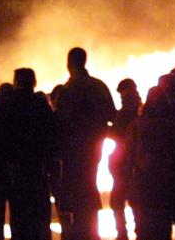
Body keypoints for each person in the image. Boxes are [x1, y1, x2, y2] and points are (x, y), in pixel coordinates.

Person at [54, 47, 116, 240]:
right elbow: (112, 115)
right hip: (94, 147)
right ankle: (91, 232)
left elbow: (60, 122)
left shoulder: (67, 90)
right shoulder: (99, 86)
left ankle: (77, 233)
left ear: (69, 64)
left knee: (74, 191)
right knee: (89, 185)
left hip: (72, 150)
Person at [0, 68, 55, 240]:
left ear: (16, 82)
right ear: (33, 83)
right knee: (37, 214)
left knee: (18, 213)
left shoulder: (6, 105)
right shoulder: (41, 105)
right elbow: (51, 135)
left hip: (14, 168)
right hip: (37, 168)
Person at [130, 77, 175, 240]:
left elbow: (129, 151)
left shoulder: (138, 124)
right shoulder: (173, 124)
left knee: (145, 216)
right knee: (164, 217)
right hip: (167, 176)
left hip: (144, 176)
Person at [108, 79, 142, 240]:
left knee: (118, 200)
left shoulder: (125, 113)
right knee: (133, 200)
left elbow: (116, 133)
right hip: (132, 162)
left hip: (124, 162)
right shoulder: (141, 110)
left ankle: (123, 233)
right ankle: (138, 232)